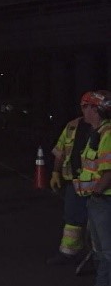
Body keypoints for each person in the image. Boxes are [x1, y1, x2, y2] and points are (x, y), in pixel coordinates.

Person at [74, 90, 111, 286]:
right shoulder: (97, 132)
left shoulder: (107, 134)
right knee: (98, 247)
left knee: (107, 248)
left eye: (84, 107)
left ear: (95, 109)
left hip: (104, 199)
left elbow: (108, 171)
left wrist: (97, 192)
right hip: (97, 199)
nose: (83, 111)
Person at [47, 94, 93, 265]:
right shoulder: (72, 126)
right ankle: (68, 253)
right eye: (84, 106)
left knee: (97, 222)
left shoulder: (104, 128)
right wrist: (55, 172)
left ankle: (97, 258)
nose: (86, 109)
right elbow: (60, 151)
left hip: (99, 184)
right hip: (75, 182)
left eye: (90, 106)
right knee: (72, 219)